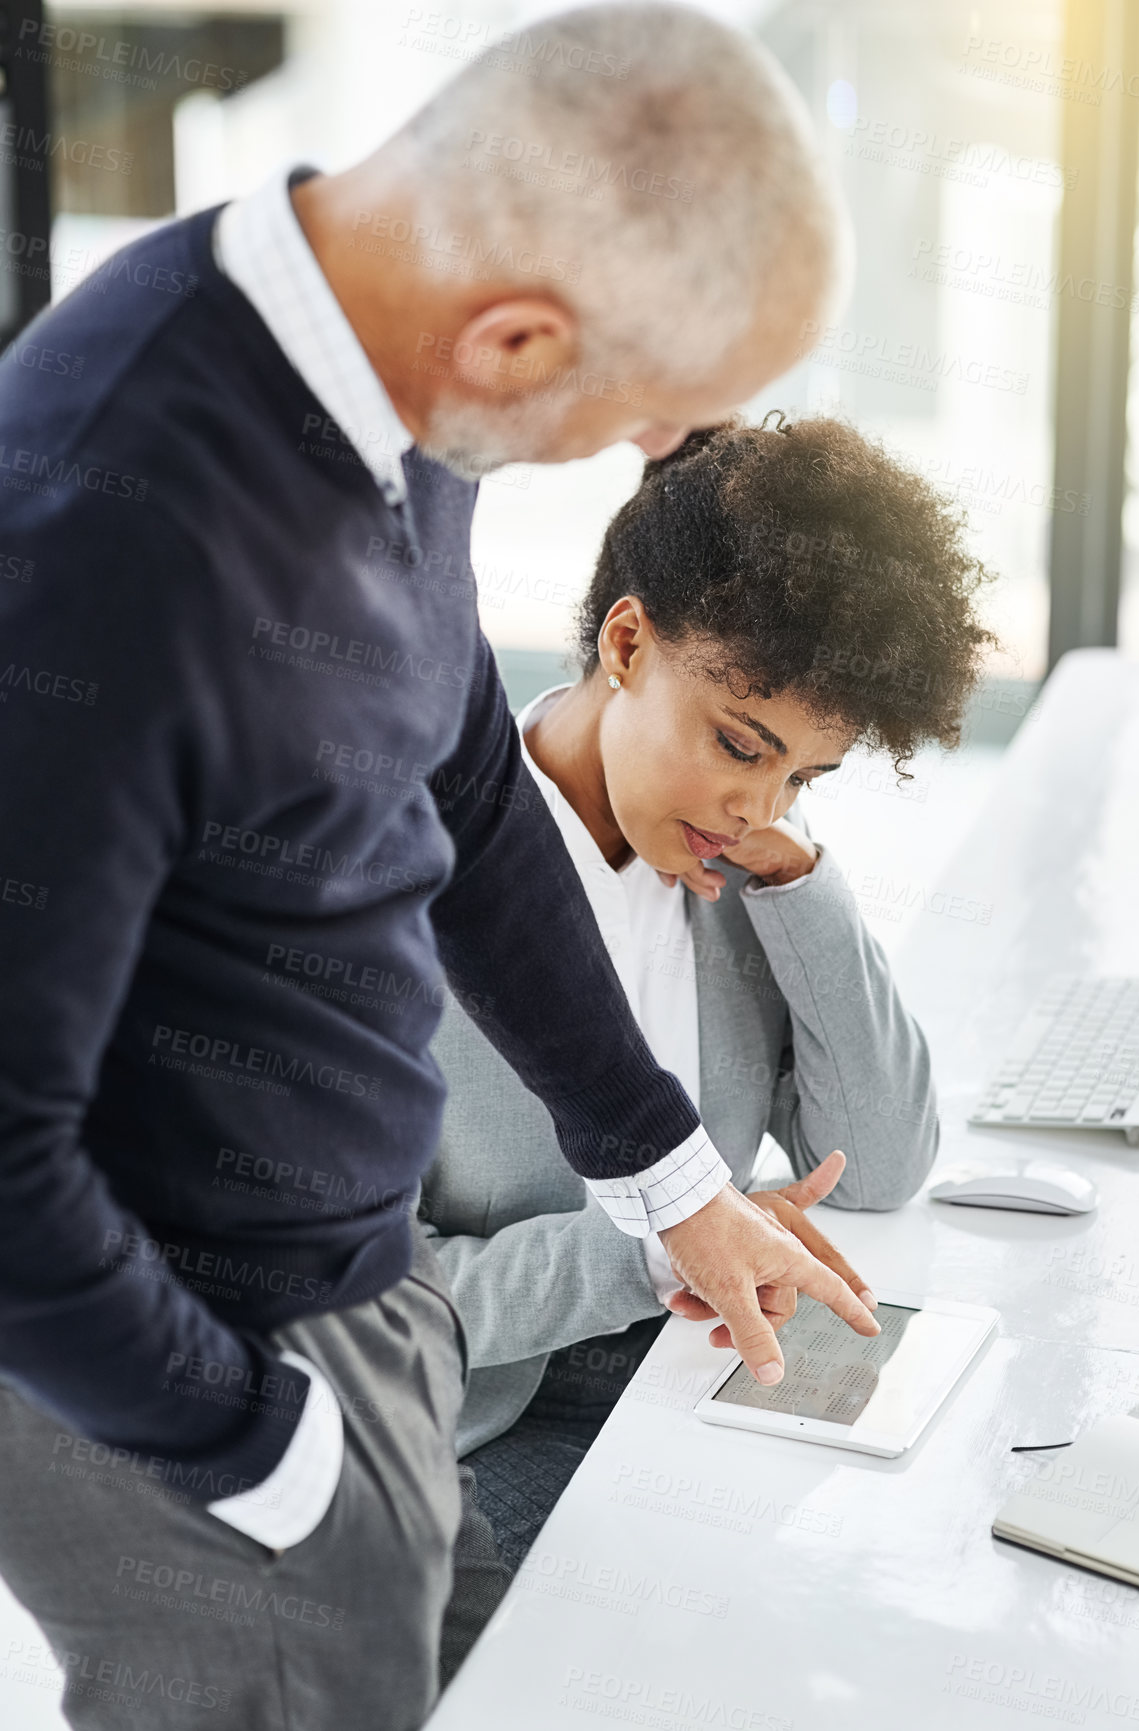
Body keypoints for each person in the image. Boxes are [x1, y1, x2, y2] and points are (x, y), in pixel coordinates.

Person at [0, 8, 882, 1729]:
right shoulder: (110, 536)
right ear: (519, 336)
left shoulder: (375, 365)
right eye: (650, 416)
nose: (642, 462)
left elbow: (463, 771)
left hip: (348, 1293)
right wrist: (257, 1455)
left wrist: (665, 1174)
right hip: (191, 1360)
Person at [421, 413, 995, 1618]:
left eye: (800, 775)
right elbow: (360, 1314)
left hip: (700, 1376)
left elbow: (884, 1164)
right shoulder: (415, 892)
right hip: (486, 1434)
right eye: (740, 744)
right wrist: (664, 1243)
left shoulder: (733, 877)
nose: (754, 802)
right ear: (626, 640)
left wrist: (802, 886)